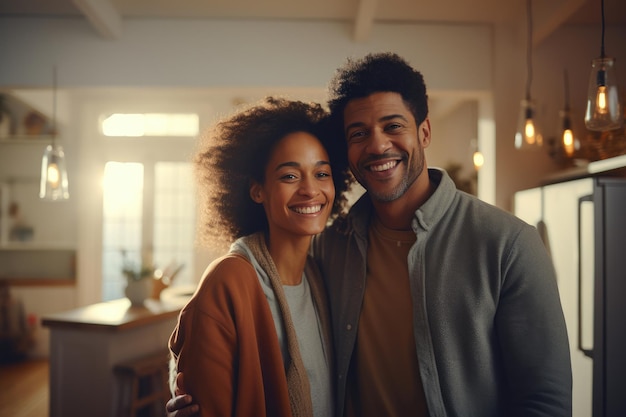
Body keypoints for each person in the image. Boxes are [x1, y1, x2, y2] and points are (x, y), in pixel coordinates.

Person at [167, 52, 572, 417]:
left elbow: (544, 402)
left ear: (424, 132)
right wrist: (189, 390)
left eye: (393, 126)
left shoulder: (508, 244)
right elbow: (225, 331)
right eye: (359, 133)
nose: (377, 145)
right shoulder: (331, 246)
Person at [167, 97, 350, 417]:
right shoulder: (228, 280)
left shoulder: (321, 275)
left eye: (321, 174)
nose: (310, 190)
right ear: (257, 191)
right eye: (290, 176)